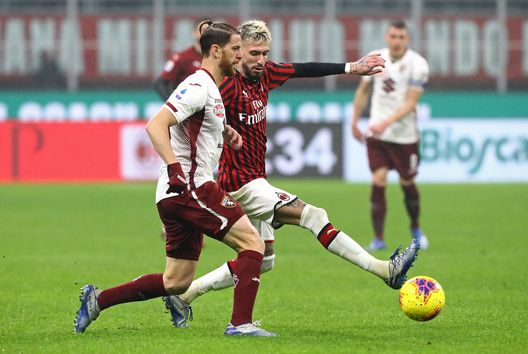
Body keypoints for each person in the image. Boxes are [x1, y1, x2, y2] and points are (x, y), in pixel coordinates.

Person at [160, 19, 420, 329]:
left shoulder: (266, 73)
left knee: (263, 260)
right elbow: (188, 116)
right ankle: (384, 270)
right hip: (239, 183)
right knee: (313, 215)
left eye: (265, 53)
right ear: (237, 51)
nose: (260, 60)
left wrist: (353, 67)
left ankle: (185, 295)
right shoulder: (224, 85)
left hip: (256, 179)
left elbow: (303, 68)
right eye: (253, 53)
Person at [73, 21, 277, 337]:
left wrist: (225, 132)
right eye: (236, 49)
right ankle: (240, 324)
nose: (241, 56)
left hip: (175, 194)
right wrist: (174, 168)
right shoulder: (197, 86)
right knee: (254, 244)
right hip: (192, 186)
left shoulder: (210, 87)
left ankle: (98, 300)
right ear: (216, 50)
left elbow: (194, 126)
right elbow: (156, 125)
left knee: (177, 281)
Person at [351, 20, 430, 252]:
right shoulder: (376, 58)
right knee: (378, 181)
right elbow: (362, 91)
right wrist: (354, 121)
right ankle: (378, 237)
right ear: (387, 37)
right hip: (378, 135)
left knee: (407, 183)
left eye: (401, 37)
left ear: (407, 39)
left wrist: (386, 122)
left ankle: (415, 228)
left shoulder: (418, 64)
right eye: (393, 36)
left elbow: (411, 103)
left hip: (405, 137)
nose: (397, 41)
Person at [153, 18, 211, 100]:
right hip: (189, 108)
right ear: (194, 33)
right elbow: (160, 83)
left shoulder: (218, 58)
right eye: (203, 30)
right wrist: (173, 105)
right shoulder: (181, 58)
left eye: (210, 31)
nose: (206, 34)